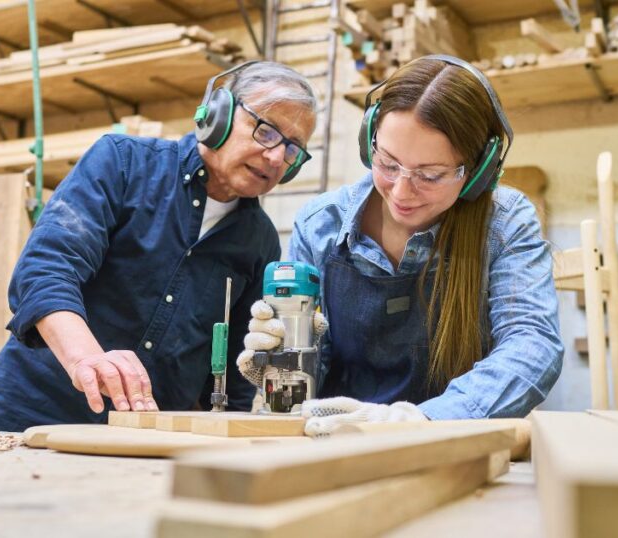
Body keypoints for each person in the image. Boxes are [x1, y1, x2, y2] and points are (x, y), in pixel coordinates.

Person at [0, 61, 317, 432]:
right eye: (266, 132)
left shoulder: (259, 240)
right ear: (219, 115)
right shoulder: (123, 162)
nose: (277, 157)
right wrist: (86, 359)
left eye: (293, 149)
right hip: (26, 419)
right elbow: (45, 272)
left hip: (139, 442)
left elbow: (235, 369)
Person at [239, 55, 563, 436]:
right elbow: (315, 369)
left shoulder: (504, 224)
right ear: (369, 141)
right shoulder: (320, 225)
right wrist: (280, 360)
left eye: (430, 175)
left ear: (478, 171)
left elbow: (532, 342)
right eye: (389, 164)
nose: (402, 192)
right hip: (339, 439)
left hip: (452, 441)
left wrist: (422, 419)